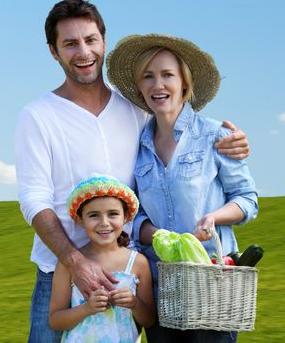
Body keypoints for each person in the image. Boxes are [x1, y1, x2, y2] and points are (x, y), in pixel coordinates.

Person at [14, 0, 251, 342]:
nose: (83, 52)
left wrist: (235, 143)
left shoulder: (136, 111)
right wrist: (76, 263)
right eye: (70, 44)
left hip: (129, 269)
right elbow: (34, 199)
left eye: (91, 40)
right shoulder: (38, 116)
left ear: (104, 42)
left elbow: (181, 138)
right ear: (54, 51)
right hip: (62, 270)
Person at [106, 34, 259, 342]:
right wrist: (152, 233)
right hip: (159, 281)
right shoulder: (136, 145)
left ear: (185, 85)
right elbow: (132, 212)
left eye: (167, 75)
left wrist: (213, 217)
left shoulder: (215, 135)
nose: (157, 85)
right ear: (139, 88)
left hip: (211, 279)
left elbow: (247, 200)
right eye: (148, 77)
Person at [49, 175, 155, 342]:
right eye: (94, 215)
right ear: (80, 219)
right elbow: (55, 320)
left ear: (125, 217)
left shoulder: (138, 263)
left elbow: (149, 320)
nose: (104, 223)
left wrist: (134, 303)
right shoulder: (69, 265)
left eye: (112, 214)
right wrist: (87, 308)